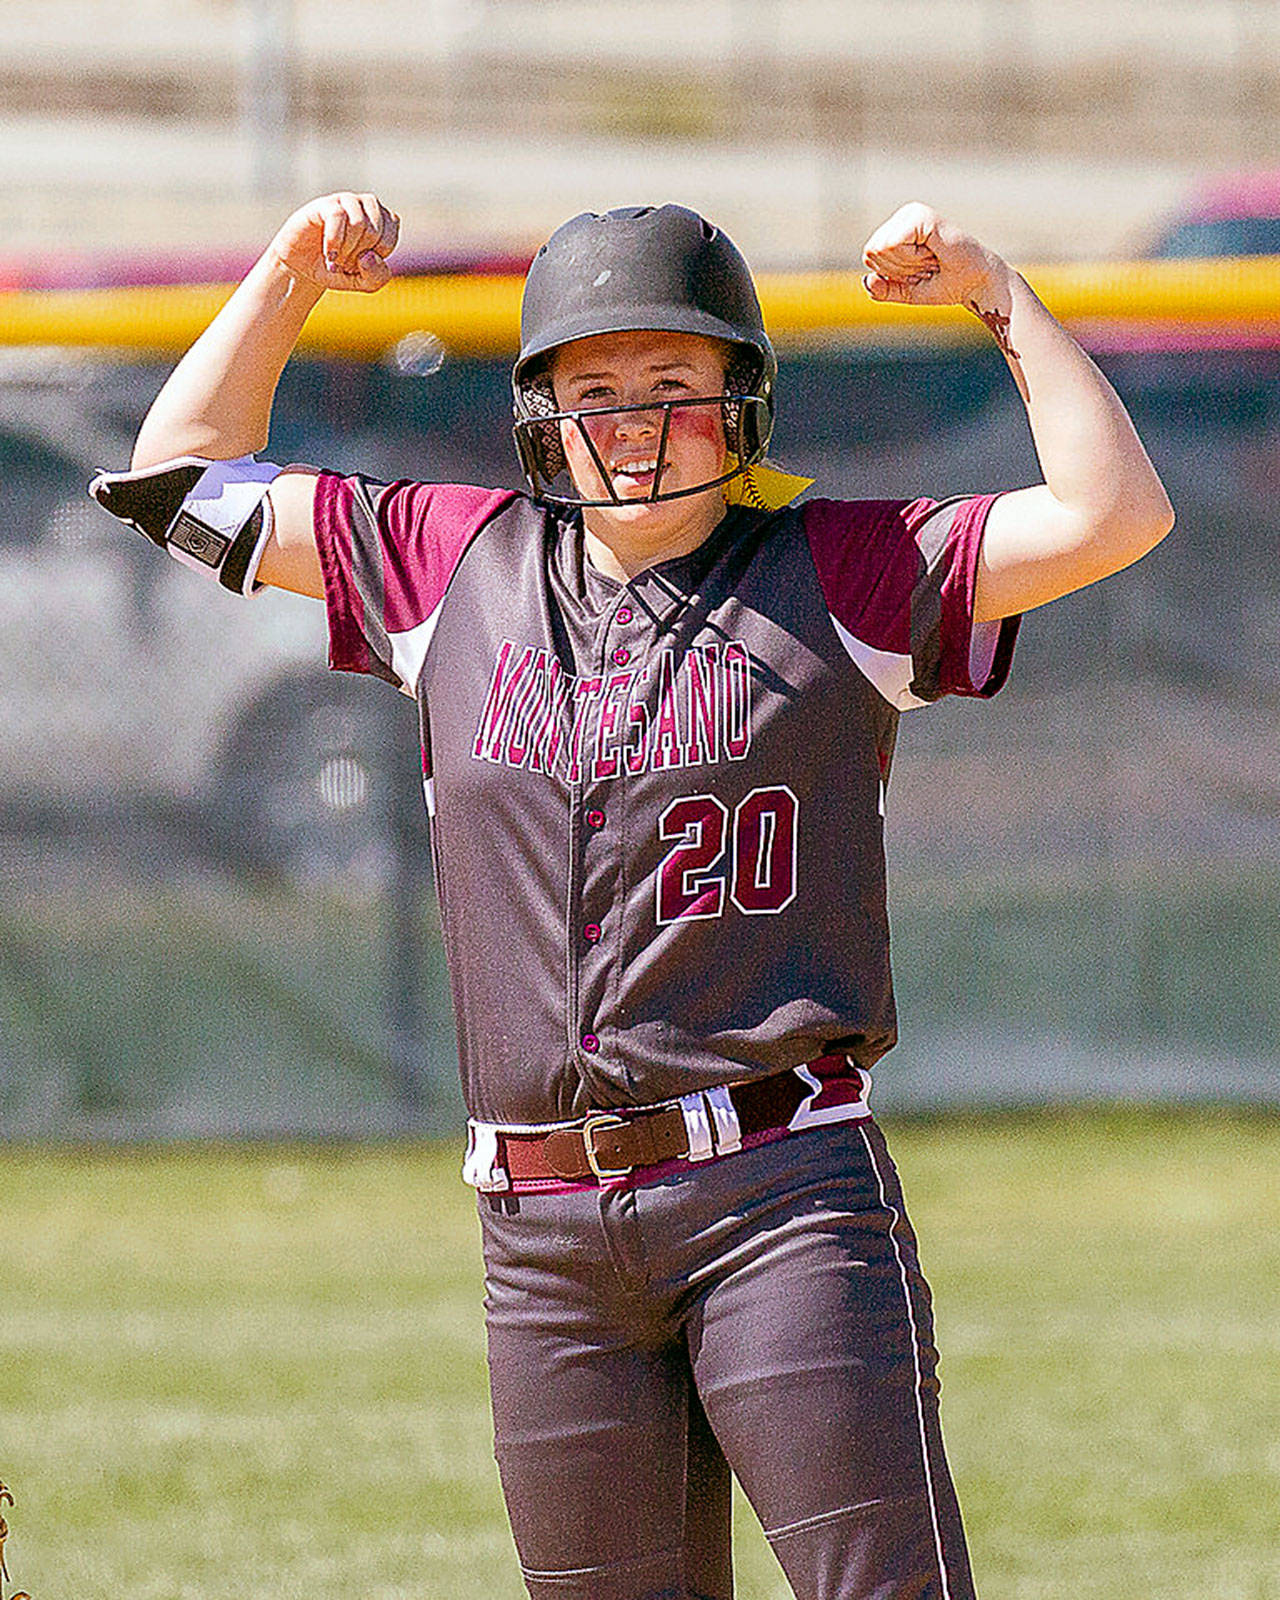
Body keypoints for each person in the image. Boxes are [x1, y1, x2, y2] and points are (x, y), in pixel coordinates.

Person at [92, 191, 1173, 1600]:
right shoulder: (451, 561)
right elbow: (176, 480)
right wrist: (288, 278)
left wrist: (1000, 298)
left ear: (744, 401)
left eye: (675, 382)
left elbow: (1113, 512)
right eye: (592, 388)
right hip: (539, 1242)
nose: (635, 421)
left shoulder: (836, 570)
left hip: (778, 1199)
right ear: (539, 416)